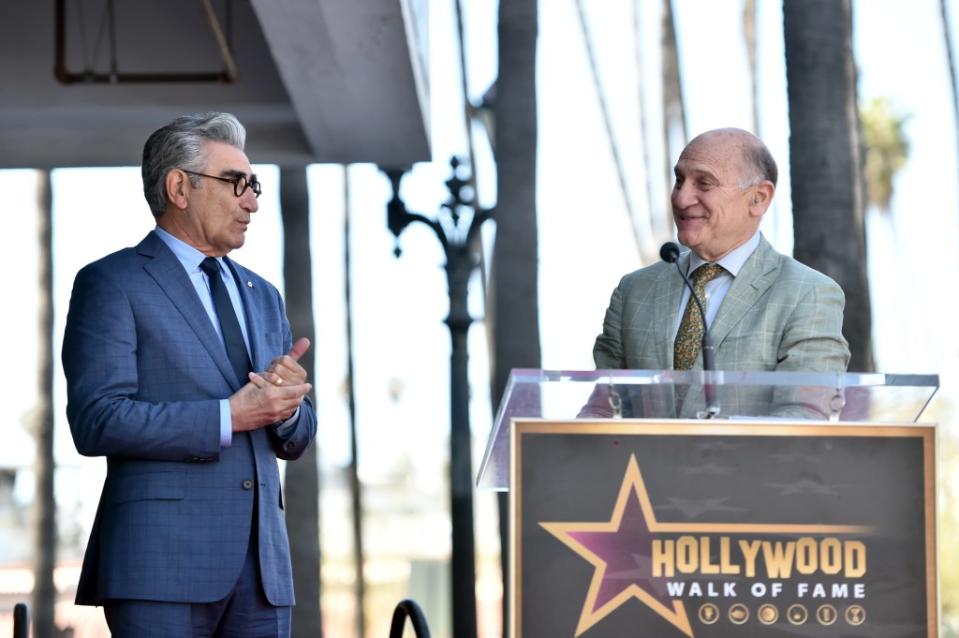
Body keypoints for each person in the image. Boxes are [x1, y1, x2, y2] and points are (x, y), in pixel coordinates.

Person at [62, 112, 316, 637]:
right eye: (237, 183)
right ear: (179, 186)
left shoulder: (263, 296)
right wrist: (230, 415)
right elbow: (97, 419)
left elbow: (296, 434)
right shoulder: (112, 282)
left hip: (263, 571)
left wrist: (287, 408)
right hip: (159, 566)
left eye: (256, 185)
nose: (252, 201)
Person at [591, 127, 850, 417]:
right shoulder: (634, 292)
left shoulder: (807, 294)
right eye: (679, 181)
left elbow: (803, 421)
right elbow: (603, 411)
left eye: (703, 184)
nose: (681, 198)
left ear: (759, 198)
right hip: (636, 463)